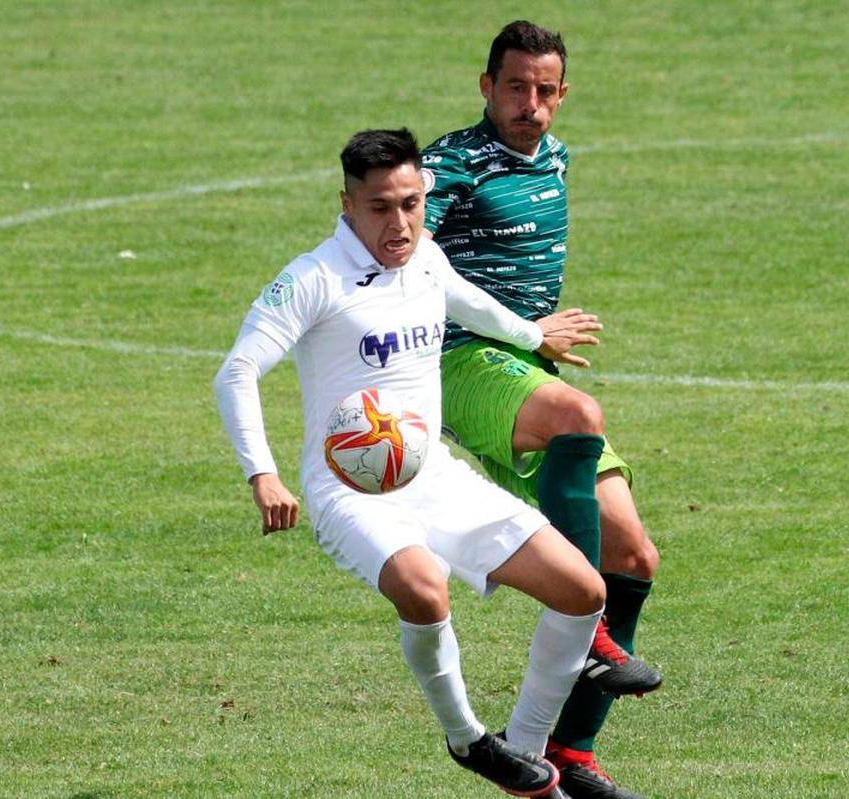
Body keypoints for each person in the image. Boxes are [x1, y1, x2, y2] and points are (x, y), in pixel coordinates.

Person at [214, 128, 614, 798]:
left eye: (410, 203)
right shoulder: (313, 277)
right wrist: (263, 472)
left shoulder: (426, 254)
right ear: (346, 203)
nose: (398, 222)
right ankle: (468, 739)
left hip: (434, 477)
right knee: (425, 587)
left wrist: (532, 335)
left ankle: (525, 748)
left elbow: (465, 300)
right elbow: (237, 371)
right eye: (379, 208)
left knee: (583, 591)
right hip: (351, 490)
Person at [421, 20, 661, 799]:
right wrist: (522, 329)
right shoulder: (449, 163)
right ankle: (584, 630)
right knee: (575, 413)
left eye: (544, 90)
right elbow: (400, 246)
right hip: (458, 359)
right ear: (486, 86)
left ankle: (570, 753)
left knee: (633, 558)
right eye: (514, 86)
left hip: (520, 361)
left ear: (563, 94)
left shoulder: (555, 157)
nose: (530, 103)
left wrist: (531, 342)